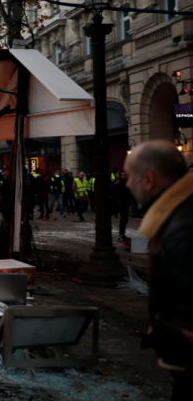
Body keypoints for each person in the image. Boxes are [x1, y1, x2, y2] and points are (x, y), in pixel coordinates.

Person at [125, 141, 193, 400]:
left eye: (130, 176)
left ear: (149, 179)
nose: (127, 184)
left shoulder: (183, 227)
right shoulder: (176, 214)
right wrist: (160, 323)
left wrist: (181, 329)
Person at [110, 171, 132, 242]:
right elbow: (111, 190)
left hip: (126, 202)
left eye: (125, 175)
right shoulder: (118, 182)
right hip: (119, 203)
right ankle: (121, 234)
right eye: (122, 175)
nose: (123, 177)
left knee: (125, 219)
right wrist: (115, 185)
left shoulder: (129, 182)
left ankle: (122, 233)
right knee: (123, 218)